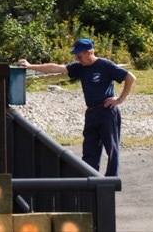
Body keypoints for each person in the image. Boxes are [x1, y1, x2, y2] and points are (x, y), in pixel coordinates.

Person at [18, 38, 135, 177]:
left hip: (107, 111)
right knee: (90, 147)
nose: (78, 59)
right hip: (91, 112)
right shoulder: (80, 67)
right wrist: (30, 66)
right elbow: (56, 67)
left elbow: (130, 77)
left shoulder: (105, 65)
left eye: (80, 56)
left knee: (112, 148)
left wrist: (120, 99)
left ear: (90, 52)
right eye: (76, 56)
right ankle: (89, 178)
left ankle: (112, 180)